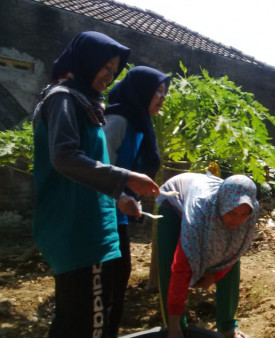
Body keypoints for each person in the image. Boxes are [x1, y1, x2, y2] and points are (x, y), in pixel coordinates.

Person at [32, 31, 160, 337]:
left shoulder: (82, 102)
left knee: (74, 321)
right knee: (89, 325)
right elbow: (65, 157)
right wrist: (125, 178)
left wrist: (118, 196)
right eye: (106, 67)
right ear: (87, 61)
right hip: (80, 232)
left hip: (90, 229)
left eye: (114, 71)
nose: (109, 76)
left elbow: (90, 165)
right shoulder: (63, 98)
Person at [103, 65, 171, 330]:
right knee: (107, 288)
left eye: (165, 92)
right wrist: (121, 196)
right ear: (141, 92)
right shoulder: (118, 121)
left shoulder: (140, 123)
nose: (163, 98)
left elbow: (128, 173)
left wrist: (133, 199)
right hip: (99, 215)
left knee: (119, 280)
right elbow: (98, 169)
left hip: (116, 215)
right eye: (157, 91)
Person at [156, 173, 258, 338]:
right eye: (232, 213)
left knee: (233, 264)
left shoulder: (249, 212)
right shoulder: (197, 219)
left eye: (243, 214)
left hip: (210, 198)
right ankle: (175, 326)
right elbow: (181, 267)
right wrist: (174, 326)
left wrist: (215, 275)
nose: (237, 220)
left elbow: (233, 253)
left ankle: (228, 326)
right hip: (173, 201)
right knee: (170, 264)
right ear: (221, 205)